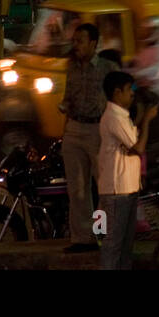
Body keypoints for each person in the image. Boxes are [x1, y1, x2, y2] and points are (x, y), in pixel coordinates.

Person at [98, 71, 158, 270]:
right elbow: (138, 148)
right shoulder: (114, 117)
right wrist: (148, 120)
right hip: (117, 191)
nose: (132, 94)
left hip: (126, 188)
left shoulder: (122, 116)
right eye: (129, 90)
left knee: (124, 245)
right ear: (117, 93)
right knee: (113, 244)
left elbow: (133, 136)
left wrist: (142, 113)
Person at [60, 23, 111, 254]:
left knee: (104, 187)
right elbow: (68, 96)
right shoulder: (71, 68)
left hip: (97, 130)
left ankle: (103, 234)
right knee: (77, 189)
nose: (76, 45)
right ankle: (82, 238)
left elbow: (124, 96)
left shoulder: (108, 68)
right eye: (75, 40)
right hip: (73, 128)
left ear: (93, 43)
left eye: (81, 41)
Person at [127, 16, 159, 99]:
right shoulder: (146, 47)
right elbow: (135, 64)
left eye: (149, 30)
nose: (145, 33)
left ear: (157, 31)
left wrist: (136, 74)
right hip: (146, 91)